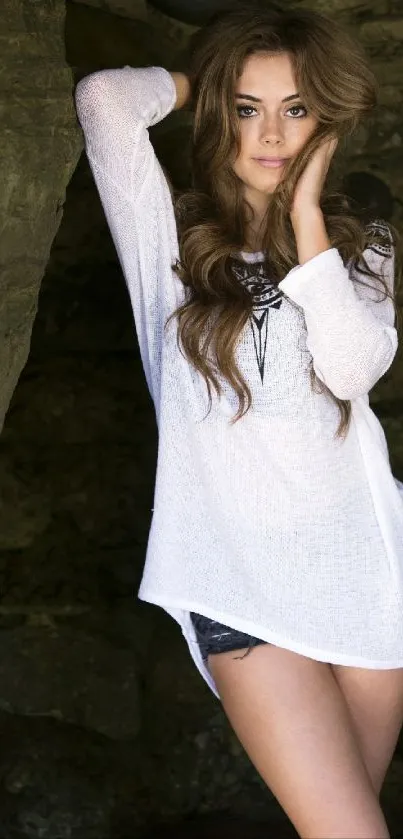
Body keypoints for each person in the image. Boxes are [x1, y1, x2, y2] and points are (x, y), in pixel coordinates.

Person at [74, 2, 403, 835]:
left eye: (296, 109)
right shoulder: (169, 245)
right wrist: (208, 81)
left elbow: (352, 367)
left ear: (325, 120)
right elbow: (106, 99)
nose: (269, 134)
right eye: (246, 108)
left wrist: (305, 220)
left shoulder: (363, 249)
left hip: (368, 581)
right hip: (241, 590)